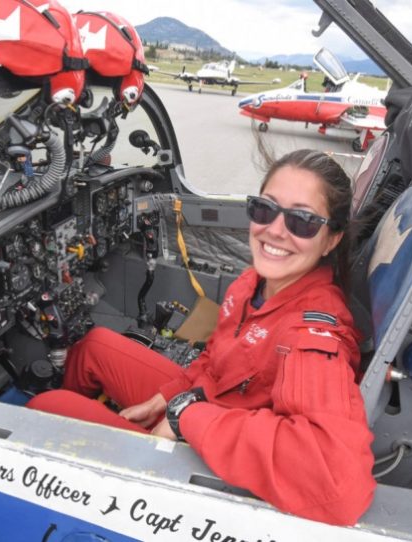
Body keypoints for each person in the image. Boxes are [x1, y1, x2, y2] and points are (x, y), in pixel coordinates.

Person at [27, 149, 376, 526]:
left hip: (215, 447)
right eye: (265, 209)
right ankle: (85, 452)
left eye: (302, 221)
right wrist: (169, 396)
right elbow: (216, 358)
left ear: (330, 240)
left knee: (46, 407)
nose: (275, 230)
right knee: (93, 346)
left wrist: (186, 417)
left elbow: (338, 485)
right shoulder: (255, 283)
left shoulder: (312, 335)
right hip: (211, 405)